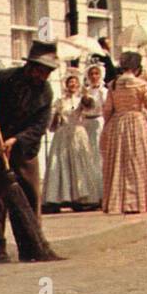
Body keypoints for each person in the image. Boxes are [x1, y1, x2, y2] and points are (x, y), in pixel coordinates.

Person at [0, 41, 60, 263]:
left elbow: (40, 125)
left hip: (23, 147)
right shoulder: (4, 78)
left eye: (47, 72)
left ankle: (31, 244)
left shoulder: (45, 92)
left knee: (29, 195)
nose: (43, 75)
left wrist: (17, 140)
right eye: (41, 70)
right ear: (30, 66)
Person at [99, 51, 147, 215]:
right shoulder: (141, 85)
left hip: (118, 124)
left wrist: (108, 125)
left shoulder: (113, 85)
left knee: (119, 161)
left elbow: (107, 110)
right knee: (137, 161)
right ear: (137, 67)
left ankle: (118, 201)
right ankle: (137, 202)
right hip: (136, 123)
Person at [42, 70, 102, 212]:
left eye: (75, 82)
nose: (73, 85)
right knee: (60, 164)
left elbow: (91, 109)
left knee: (79, 164)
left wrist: (86, 97)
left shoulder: (82, 99)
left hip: (78, 133)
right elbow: (52, 124)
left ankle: (82, 197)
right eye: (70, 83)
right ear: (66, 85)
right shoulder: (60, 101)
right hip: (62, 134)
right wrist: (56, 115)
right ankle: (58, 198)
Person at [78, 62, 107, 180]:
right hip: (85, 122)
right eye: (91, 74)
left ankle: (99, 180)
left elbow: (106, 107)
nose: (94, 76)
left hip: (98, 122)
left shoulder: (104, 91)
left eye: (96, 74)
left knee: (97, 151)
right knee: (86, 151)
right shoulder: (85, 91)